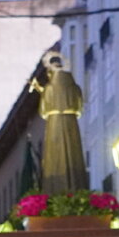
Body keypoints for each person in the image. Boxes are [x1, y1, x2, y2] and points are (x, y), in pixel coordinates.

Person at [29, 51, 87, 194]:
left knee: (55, 158)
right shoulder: (75, 88)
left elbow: (43, 111)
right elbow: (80, 108)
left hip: (54, 123)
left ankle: (54, 188)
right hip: (71, 124)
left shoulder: (49, 88)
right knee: (73, 154)